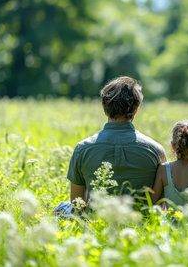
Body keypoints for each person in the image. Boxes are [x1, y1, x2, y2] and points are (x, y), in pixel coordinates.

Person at [61, 76, 166, 212]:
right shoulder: (156, 150)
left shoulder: (83, 148)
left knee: (62, 207)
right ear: (135, 110)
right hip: (140, 223)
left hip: (96, 223)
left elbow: (77, 204)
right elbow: (160, 206)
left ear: (104, 106)